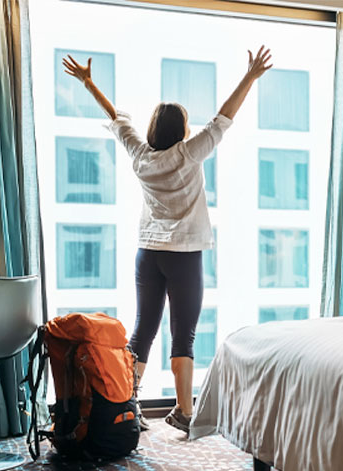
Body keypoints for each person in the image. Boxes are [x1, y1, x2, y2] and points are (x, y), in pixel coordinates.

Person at [63, 47, 272, 433]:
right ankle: (184, 412)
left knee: (143, 330)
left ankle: (126, 407)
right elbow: (223, 119)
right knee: (183, 335)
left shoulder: (140, 156)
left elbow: (116, 119)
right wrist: (250, 76)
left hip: (148, 253)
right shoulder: (189, 154)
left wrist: (89, 84)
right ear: (181, 130)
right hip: (183, 255)